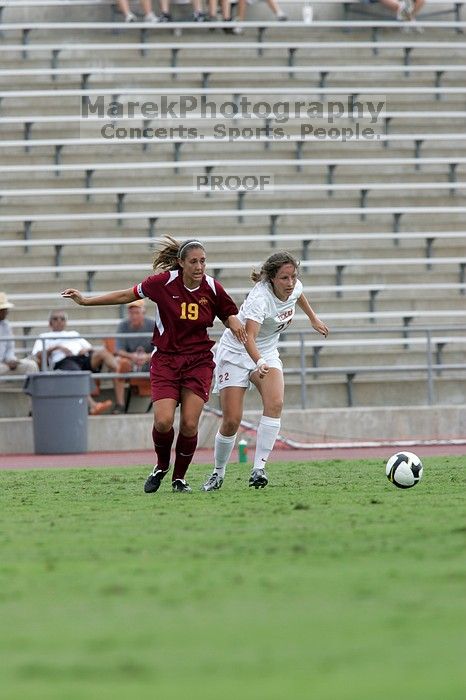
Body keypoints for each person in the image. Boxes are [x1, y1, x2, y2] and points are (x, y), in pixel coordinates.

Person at [61, 236, 247, 493]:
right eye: (193, 261)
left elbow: (230, 315)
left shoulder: (213, 288)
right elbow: (127, 294)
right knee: (163, 421)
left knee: (191, 423)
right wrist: (85, 300)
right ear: (181, 263)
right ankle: (161, 466)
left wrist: (234, 321)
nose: (199, 267)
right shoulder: (162, 284)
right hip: (166, 361)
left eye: (203, 261)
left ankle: (179, 479)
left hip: (198, 362)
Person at [202, 251, 329, 492]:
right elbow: (248, 337)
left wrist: (313, 318)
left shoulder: (295, 286)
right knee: (231, 420)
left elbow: (299, 296)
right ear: (271, 279)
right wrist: (258, 362)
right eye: (284, 278)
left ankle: (258, 469)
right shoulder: (260, 299)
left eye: (292, 276)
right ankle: (218, 473)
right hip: (237, 353)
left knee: (275, 403)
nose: (290, 283)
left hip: (267, 352)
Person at [31, 310, 118, 416]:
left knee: (102, 352)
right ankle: (93, 406)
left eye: (62, 319)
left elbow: (89, 347)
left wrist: (85, 350)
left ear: (66, 322)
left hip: (81, 358)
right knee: (76, 373)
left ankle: (120, 370)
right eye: (55, 319)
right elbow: (38, 355)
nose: (59, 321)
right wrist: (56, 347)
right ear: (50, 322)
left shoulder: (73, 334)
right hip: (63, 362)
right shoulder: (44, 336)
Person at [112, 298, 154, 414]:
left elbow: (161, 348)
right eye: (131, 313)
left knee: (165, 362)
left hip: (150, 360)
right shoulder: (123, 325)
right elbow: (118, 350)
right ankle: (120, 404)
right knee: (120, 365)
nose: (134, 316)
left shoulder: (153, 325)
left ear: (143, 313)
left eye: (137, 312)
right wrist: (132, 356)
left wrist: (147, 357)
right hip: (130, 361)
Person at [0, 292, 38, 377]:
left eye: (5, 309)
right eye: (3, 309)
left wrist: (11, 360)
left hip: (4, 364)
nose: (6, 312)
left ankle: (31, 390)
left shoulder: (6, 326)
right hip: (3, 365)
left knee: (31, 365)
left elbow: (10, 348)